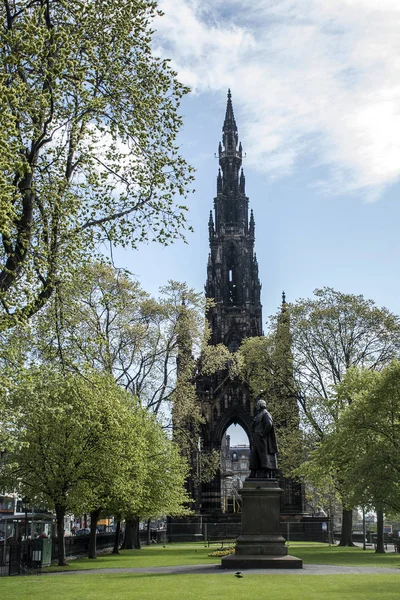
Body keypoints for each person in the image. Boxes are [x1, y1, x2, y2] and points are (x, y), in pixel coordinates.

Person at [249, 397, 278, 478]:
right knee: (254, 456)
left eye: (257, 406)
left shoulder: (266, 414)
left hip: (262, 439)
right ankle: (253, 472)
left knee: (263, 456)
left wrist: (263, 434)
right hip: (257, 438)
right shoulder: (259, 415)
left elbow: (269, 424)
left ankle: (265, 472)